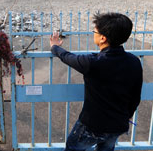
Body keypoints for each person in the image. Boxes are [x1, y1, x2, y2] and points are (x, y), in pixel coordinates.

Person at [49, 12, 143, 151]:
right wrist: (125, 116)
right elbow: (136, 97)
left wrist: (54, 47)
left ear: (103, 38)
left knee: (73, 147)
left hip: (92, 125)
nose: (94, 34)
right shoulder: (134, 62)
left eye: (95, 32)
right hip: (118, 124)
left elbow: (68, 57)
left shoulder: (93, 63)